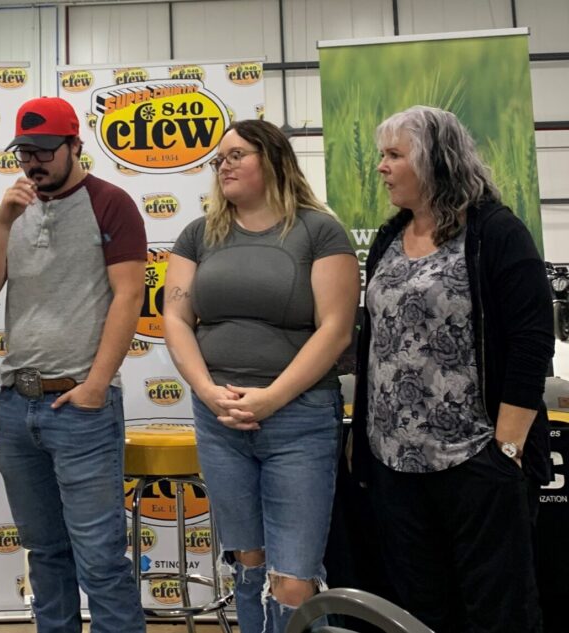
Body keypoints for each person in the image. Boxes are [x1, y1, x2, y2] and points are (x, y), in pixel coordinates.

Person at [350, 105, 552, 632]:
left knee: (496, 609)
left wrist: (506, 450)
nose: (382, 167)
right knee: (417, 611)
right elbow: (375, 340)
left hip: (476, 460)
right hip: (395, 464)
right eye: (382, 155)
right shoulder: (389, 239)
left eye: (394, 155)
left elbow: (532, 345)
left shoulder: (497, 234)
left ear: (435, 160)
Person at [163, 119, 360, 633]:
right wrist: (207, 392)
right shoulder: (198, 234)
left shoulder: (320, 231)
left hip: (299, 419)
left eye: (236, 154)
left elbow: (336, 329)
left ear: (273, 159)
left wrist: (271, 398)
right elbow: (176, 320)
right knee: (247, 565)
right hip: (219, 420)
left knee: (293, 579)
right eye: (218, 159)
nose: (222, 165)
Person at [0, 96, 146, 633]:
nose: (34, 163)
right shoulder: (15, 209)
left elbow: (130, 295)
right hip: (17, 404)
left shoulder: (111, 203)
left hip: (80, 405)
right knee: (44, 554)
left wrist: (96, 385)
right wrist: (2, 218)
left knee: (100, 558)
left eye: (46, 151)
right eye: (25, 152)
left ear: (74, 146)